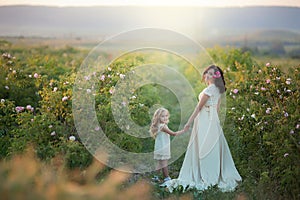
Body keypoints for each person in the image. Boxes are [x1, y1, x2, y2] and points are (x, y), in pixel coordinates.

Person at [165, 65, 242, 192]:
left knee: (205, 146)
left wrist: (188, 123)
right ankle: (212, 172)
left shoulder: (210, 90)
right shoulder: (217, 89)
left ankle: (208, 174)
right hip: (212, 120)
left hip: (205, 120)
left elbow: (198, 108)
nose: (208, 75)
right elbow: (216, 108)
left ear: (216, 77)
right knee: (211, 146)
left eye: (211, 74)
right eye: (207, 73)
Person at [149, 107, 187, 185]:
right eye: (162, 116)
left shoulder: (160, 125)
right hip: (163, 147)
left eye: (166, 116)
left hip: (160, 147)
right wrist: (183, 131)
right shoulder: (163, 126)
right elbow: (173, 133)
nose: (165, 117)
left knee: (160, 163)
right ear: (158, 117)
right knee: (164, 163)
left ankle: (155, 176)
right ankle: (167, 177)